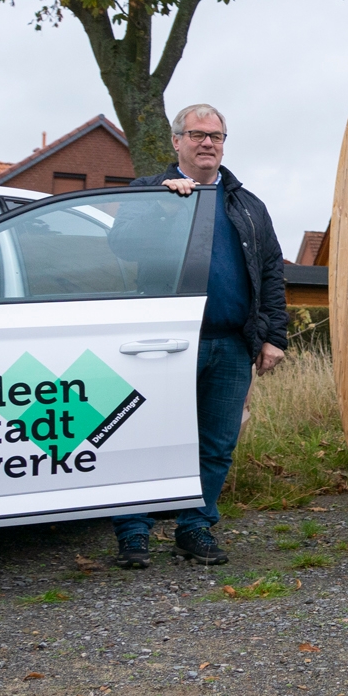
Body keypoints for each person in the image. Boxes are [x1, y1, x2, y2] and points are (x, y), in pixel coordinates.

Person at [112, 103, 287, 569]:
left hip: (230, 342)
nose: (207, 143)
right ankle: (133, 532)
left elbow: (270, 273)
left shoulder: (246, 205)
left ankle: (195, 527)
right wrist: (167, 208)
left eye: (216, 135)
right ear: (176, 142)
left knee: (215, 442)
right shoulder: (148, 194)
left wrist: (275, 337)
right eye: (196, 134)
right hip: (160, 344)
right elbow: (121, 246)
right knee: (142, 437)